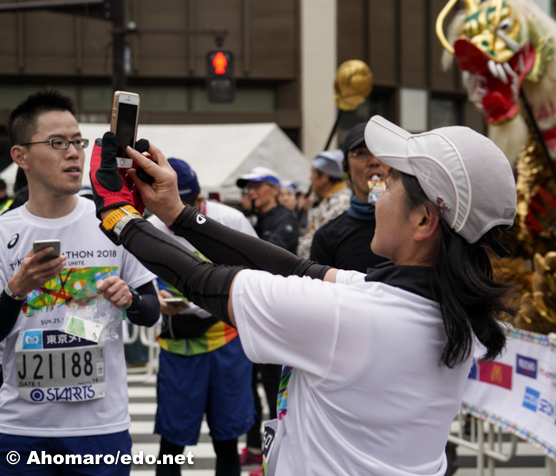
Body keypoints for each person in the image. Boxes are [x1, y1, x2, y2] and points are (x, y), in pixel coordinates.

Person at [89, 115, 517, 475]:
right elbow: (296, 269)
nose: (376, 196)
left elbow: (202, 280)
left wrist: (117, 214)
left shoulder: (355, 316)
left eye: (389, 186)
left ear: (423, 220)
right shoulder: (440, 306)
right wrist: (178, 215)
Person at [0, 90, 159, 475]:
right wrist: (15, 291)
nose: (73, 153)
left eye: (77, 141)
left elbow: (151, 311)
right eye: (57, 143)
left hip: (100, 428)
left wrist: (131, 300)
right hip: (21, 429)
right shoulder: (3, 232)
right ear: (20, 156)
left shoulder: (115, 221)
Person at [148, 158, 256, 476]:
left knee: (226, 441)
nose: (177, 213)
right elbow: (133, 279)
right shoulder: (150, 228)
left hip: (226, 341)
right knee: (172, 445)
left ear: (200, 196)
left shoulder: (229, 219)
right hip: (178, 346)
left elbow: (259, 269)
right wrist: (154, 298)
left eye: (188, 203)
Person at [235, 166, 299, 467]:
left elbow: (267, 259)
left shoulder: (284, 219)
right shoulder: (253, 218)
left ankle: (276, 458)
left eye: (257, 186)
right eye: (248, 187)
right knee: (249, 386)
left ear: (274, 189)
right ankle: (255, 446)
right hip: (252, 313)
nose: (251, 192)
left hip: (276, 316)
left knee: (274, 387)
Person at [310, 122, 391, 272]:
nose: (374, 161)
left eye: (381, 152)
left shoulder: (419, 225)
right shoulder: (326, 238)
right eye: (361, 153)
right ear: (345, 166)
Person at [296, 150, 352, 259]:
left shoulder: (340, 202)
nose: (310, 178)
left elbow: (320, 243)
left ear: (325, 176)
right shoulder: (329, 200)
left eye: (312, 173)